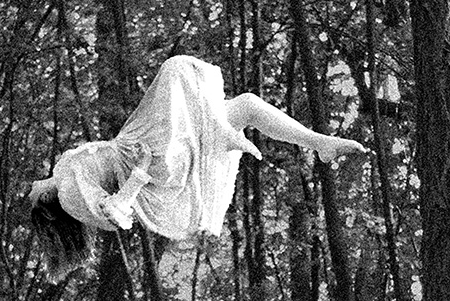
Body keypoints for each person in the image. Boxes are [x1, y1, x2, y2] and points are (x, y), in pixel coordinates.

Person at [29, 55, 368, 269]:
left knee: (247, 105)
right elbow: (117, 213)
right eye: (27, 198)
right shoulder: (69, 197)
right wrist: (139, 175)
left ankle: (320, 143)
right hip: (151, 158)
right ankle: (222, 133)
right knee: (176, 69)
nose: (26, 190)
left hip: (145, 149)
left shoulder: (64, 178)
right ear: (44, 206)